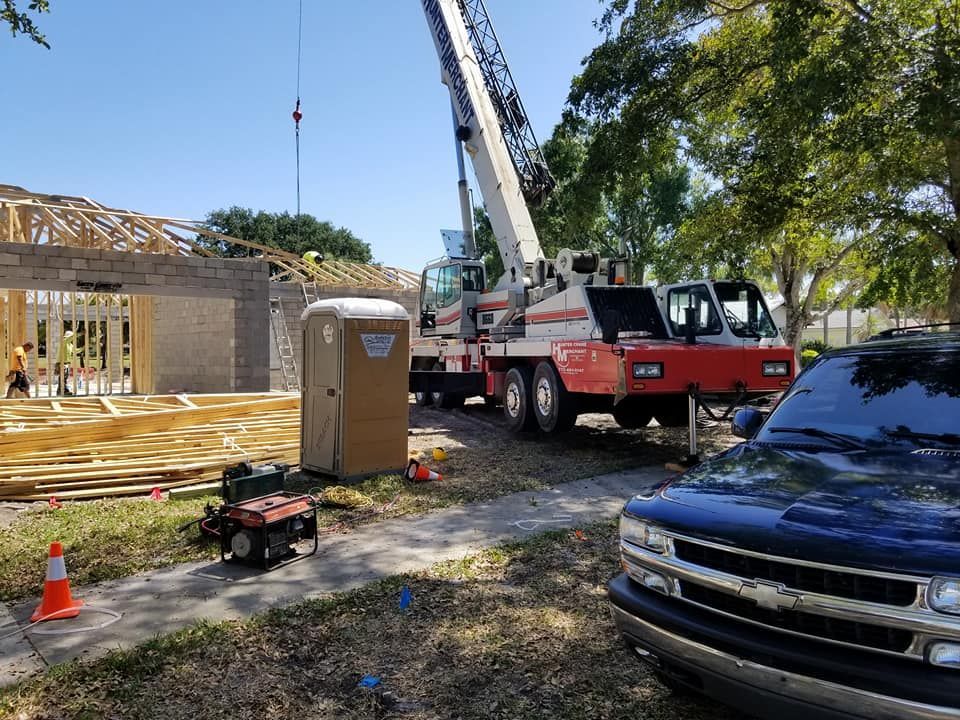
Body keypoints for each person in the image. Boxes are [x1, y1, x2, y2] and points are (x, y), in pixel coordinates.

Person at [56, 330, 77, 396]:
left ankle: (62, 391)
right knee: (62, 377)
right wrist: (80, 333)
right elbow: (70, 338)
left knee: (64, 377)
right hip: (62, 363)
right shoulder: (64, 342)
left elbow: (76, 351)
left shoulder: (70, 345)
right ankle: (62, 391)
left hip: (67, 363)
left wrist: (84, 347)